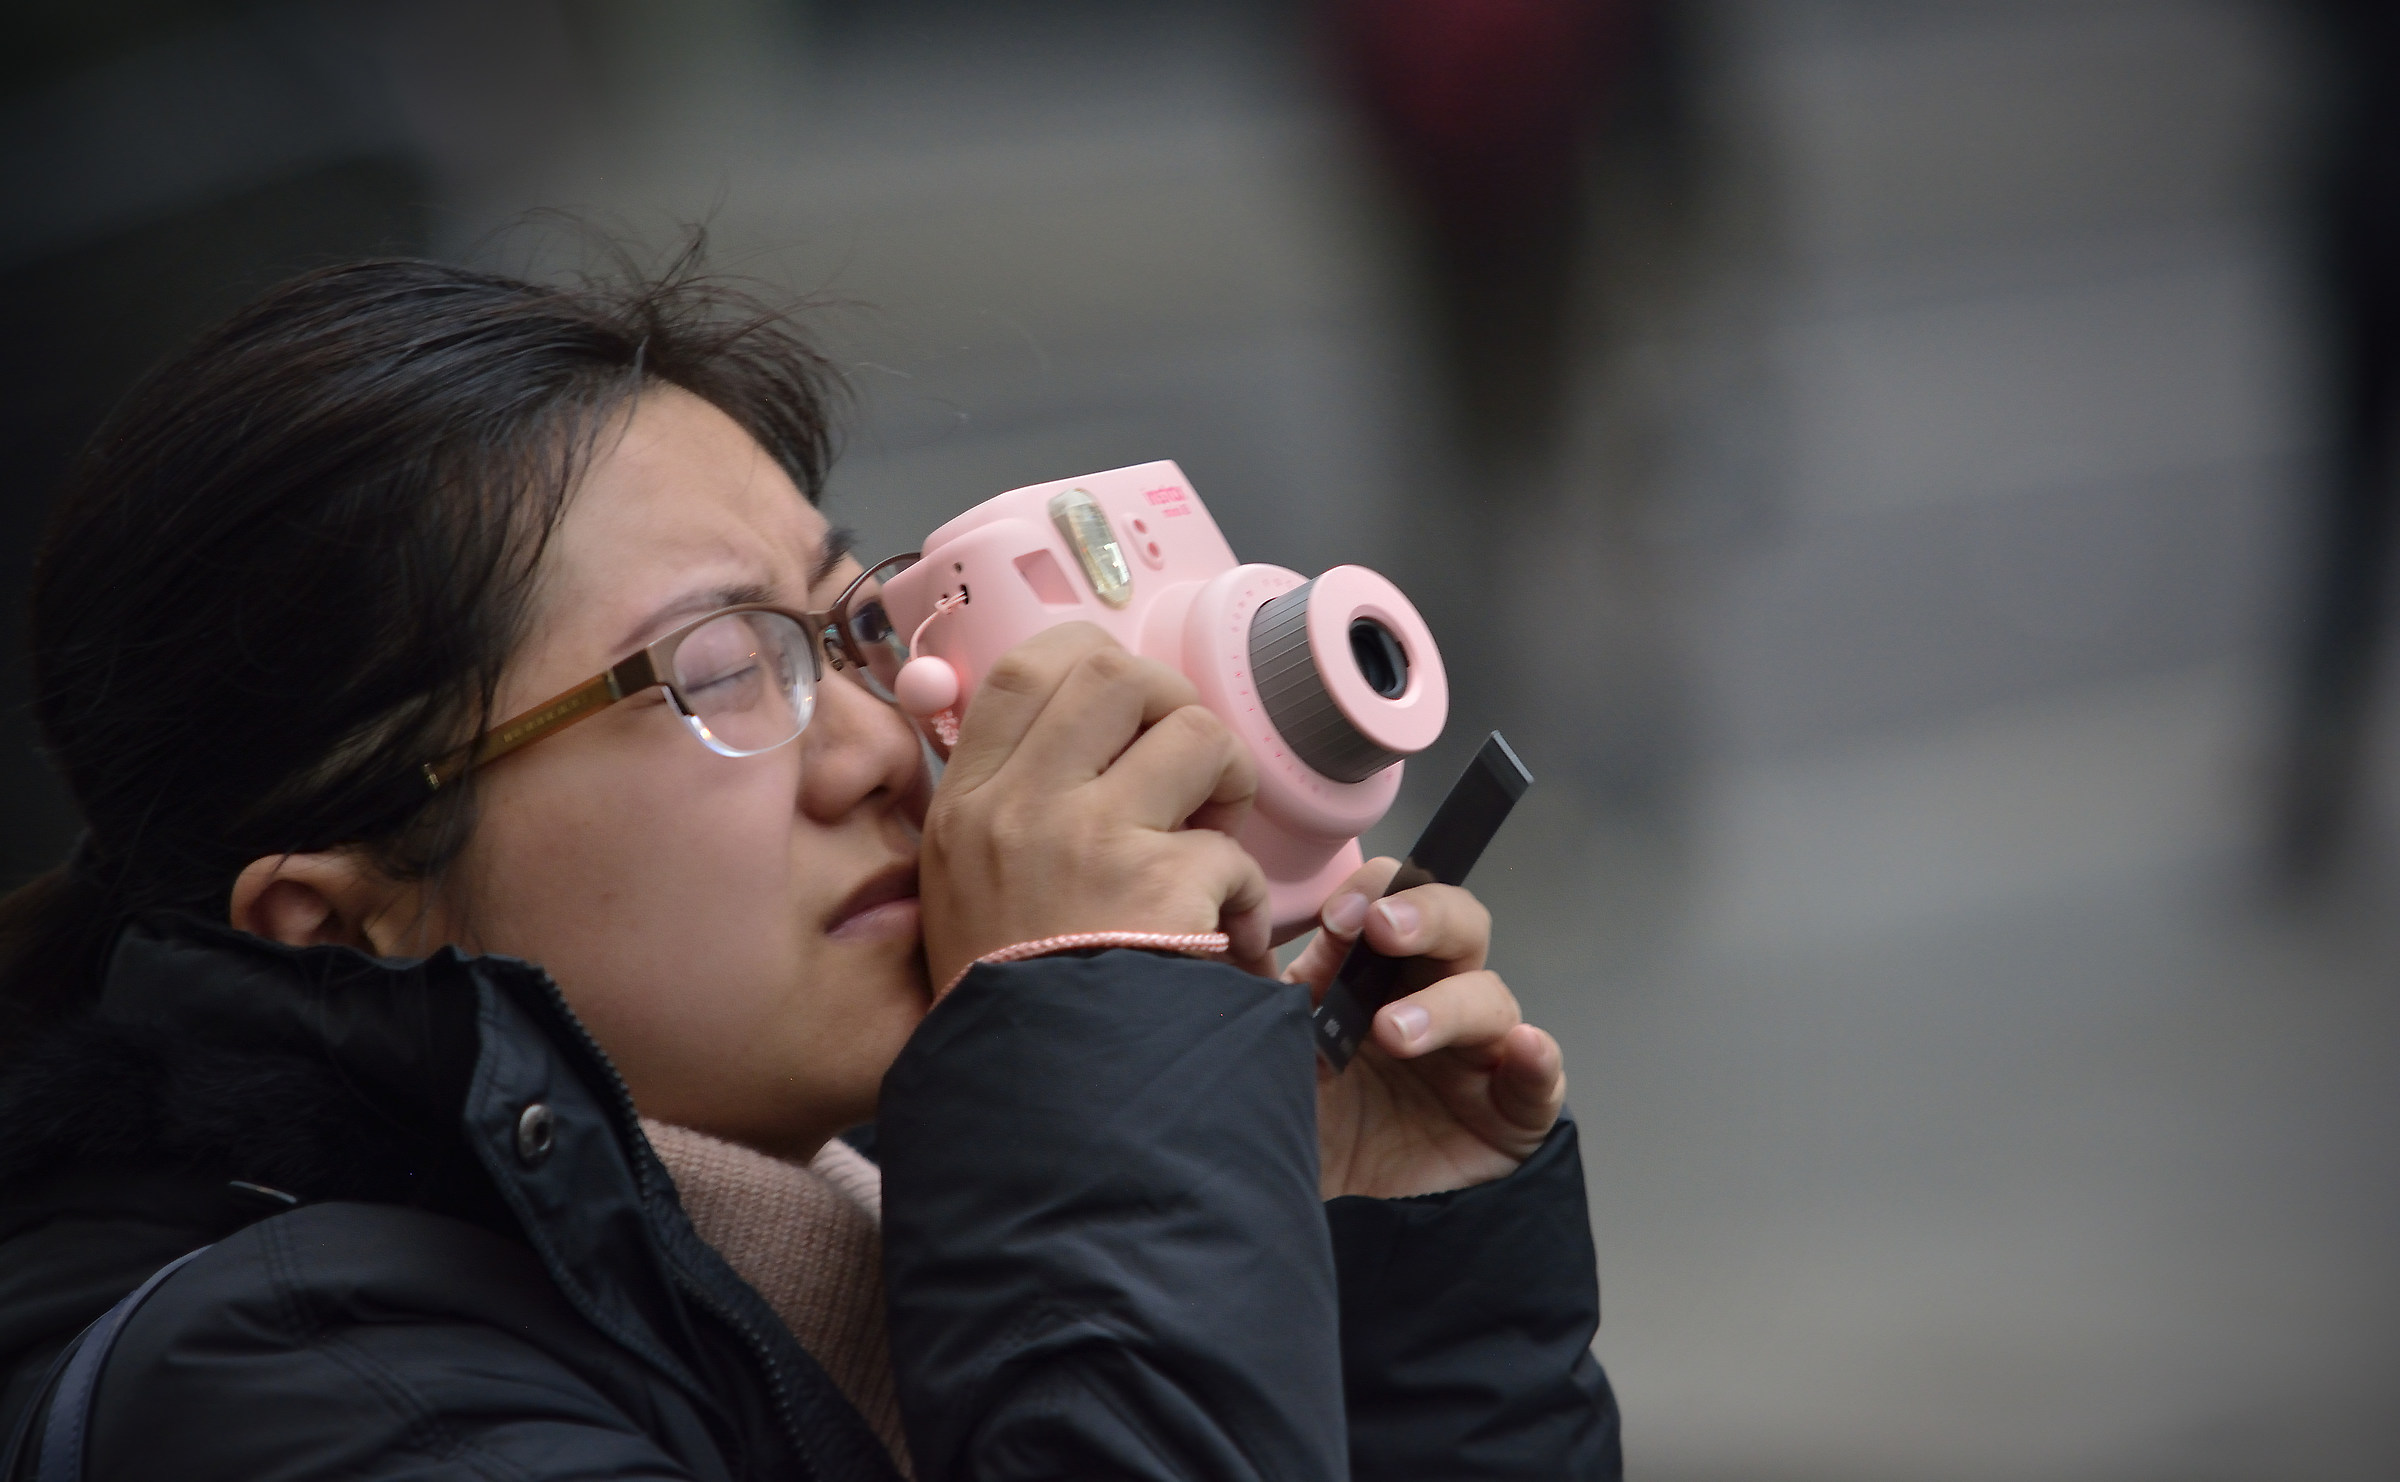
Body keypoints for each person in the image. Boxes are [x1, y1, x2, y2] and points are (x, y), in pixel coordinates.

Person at [0, 253, 1622, 1480]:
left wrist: (1382, 1277)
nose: (882, 744)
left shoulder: (858, 1241)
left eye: (850, 629)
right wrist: (1101, 1047)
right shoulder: (312, 1393)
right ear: (346, 924)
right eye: (714, 673)